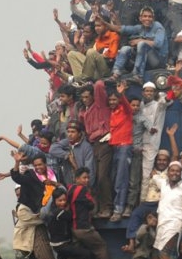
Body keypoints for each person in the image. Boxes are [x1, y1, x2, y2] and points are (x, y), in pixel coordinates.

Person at [8, 152, 59, 259]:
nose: (38, 167)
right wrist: (16, 163)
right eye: (35, 165)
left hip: (36, 225)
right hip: (31, 234)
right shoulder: (31, 177)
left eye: (40, 165)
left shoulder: (52, 177)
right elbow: (17, 177)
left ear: (46, 164)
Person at [42, 188, 104, 259]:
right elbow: (71, 216)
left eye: (64, 200)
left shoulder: (53, 211)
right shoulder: (58, 212)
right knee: (86, 254)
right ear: (55, 200)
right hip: (61, 245)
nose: (62, 203)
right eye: (60, 200)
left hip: (59, 244)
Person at [66, 167, 118, 259]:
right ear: (77, 178)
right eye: (84, 178)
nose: (87, 180)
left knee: (74, 254)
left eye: (88, 178)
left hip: (73, 227)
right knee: (100, 246)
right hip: (84, 228)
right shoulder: (82, 190)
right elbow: (91, 205)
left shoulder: (70, 189)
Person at [79, 81, 113, 218]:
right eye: (83, 97)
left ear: (93, 97)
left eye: (87, 97)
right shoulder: (84, 112)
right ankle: (97, 208)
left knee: (102, 177)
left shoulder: (99, 106)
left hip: (104, 142)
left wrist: (93, 82)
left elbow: (99, 85)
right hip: (93, 145)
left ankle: (108, 208)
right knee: (93, 178)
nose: (85, 100)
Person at [105, 7, 168, 80]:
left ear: (153, 19)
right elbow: (121, 29)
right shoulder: (139, 28)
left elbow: (158, 44)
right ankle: (115, 74)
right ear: (140, 18)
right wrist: (104, 22)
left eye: (150, 17)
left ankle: (138, 76)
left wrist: (140, 40)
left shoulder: (158, 26)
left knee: (141, 44)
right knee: (125, 48)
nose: (147, 19)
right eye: (145, 16)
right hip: (144, 61)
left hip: (158, 61)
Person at [107, 81, 133, 221]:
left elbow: (126, 104)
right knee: (112, 178)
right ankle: (114, 207)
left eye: (114, 99)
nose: (112, 102)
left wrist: (121, 93)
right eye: (110, 100)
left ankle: (119, 209)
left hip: (124, 146)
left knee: (121, 180)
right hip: (113, 147)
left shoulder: (126, 110)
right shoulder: (110, 113)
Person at [49, 119, 95, 187]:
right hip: (69, 183)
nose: (70, 134)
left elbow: (90, 170)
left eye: (73, 132)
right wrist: (67, 155)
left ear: (79, 134)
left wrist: (87, 185)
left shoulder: (86, 147)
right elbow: (52, 149)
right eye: (68, 132)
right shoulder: (67, 142)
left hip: (82, 185)